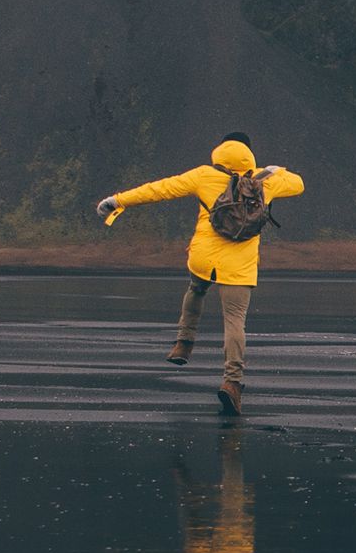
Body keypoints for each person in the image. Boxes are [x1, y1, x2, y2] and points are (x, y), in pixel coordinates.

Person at [98, 132, 306, 413]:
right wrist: (275, 171)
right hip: (240, 266)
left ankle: (184, 343)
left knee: (196, 288)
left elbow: (159, 189)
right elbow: (299, 185)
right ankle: (232, 383)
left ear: (220, 151)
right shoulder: (265, 182)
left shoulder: (203, 175)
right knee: (234, 322)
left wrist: (117, 200)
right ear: (249, 154)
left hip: (204, 259)